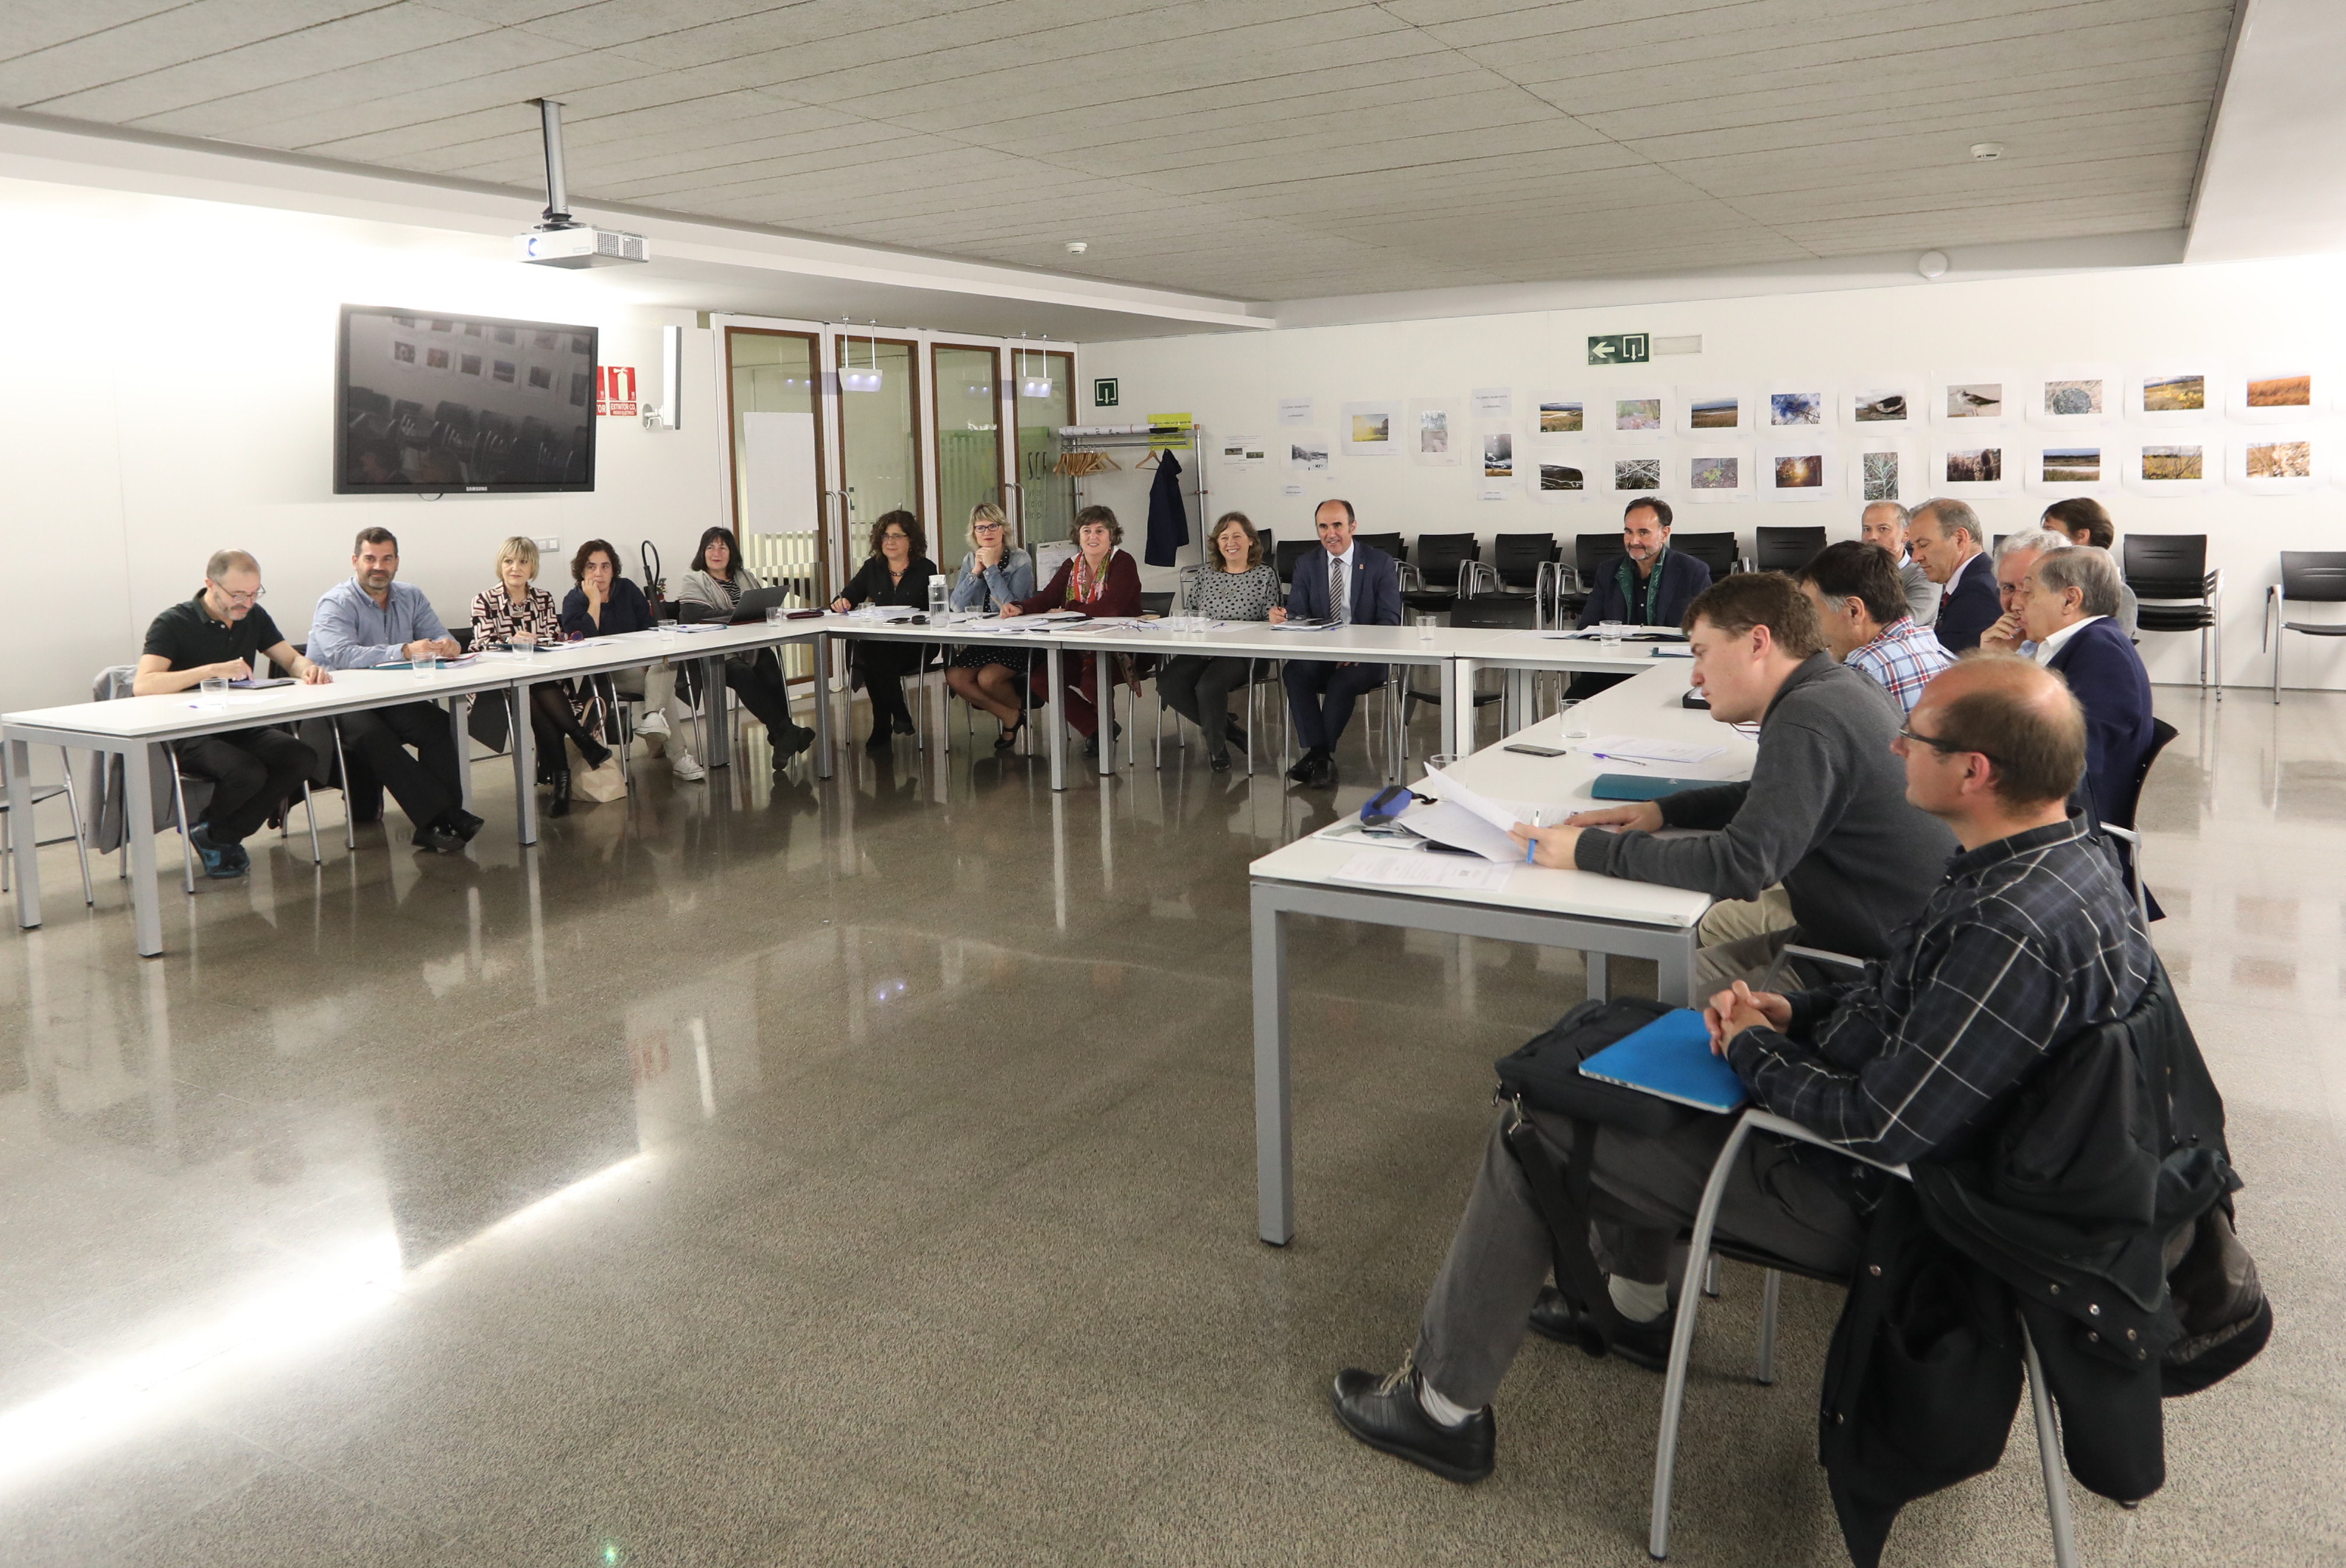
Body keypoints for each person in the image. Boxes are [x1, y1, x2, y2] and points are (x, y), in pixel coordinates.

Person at [1330, 656, 2154, 1485]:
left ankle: (1441, 1409)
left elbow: (1873, 1125)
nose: (1895, 747)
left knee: (1533, 1126)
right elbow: (1905, 995)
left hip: (1903, 1206)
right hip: (1956, 1163)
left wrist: (1753, 1048)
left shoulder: (2007, 926)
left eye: (1915, 737)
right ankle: (1633, 1306)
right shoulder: (2051, 864)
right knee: (1622, 1071)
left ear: (1974, 772)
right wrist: (1796, 1012)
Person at [1511, 572, 1955, 990]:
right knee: (1656, 981)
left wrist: (1588, 851)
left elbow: (1740, 866)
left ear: (1757, 642)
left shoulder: (1806, 717)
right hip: (1864, 939)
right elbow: (1777, 796)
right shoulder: (1840, 684)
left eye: (1702, 652)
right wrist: (1666, 810)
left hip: (1881, 974)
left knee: (1656, 997)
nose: (1695, 675)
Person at [133, 550, 329, 878]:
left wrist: (308, 668)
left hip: (240, 724)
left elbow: (291, 659)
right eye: (237, 595)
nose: (246, 603)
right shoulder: (173, 623)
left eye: (254, 594)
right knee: (247, 771)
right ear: (211, 585)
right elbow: (144, 684)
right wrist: (210, 671)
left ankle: (216, 834)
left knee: (301, 756)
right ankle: (220, 836)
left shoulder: (253, 615)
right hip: (189, 732)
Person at [307, 527, 480, 854]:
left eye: (387, 559)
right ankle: (443, 819)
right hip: (339, 700)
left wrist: (449, 645)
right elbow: (342, 655)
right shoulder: (335, 602)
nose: (378, 567)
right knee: (375, 736)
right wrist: (403, 651)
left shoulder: (411, 596)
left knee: (439, 724)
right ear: (355, 561)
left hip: (389, 696)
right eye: (370, 559)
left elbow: (439, 634)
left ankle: (444, 821)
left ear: (397, 562)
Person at [470, 537, 614, 818]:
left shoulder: (543, 598)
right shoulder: (484, 600)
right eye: (509, 561)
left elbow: (553, 637)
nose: (515, 568)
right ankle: (582, 742)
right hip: (503, 686)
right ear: (500, 565)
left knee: (536, 690)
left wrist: (541, 640)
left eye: (523, 562)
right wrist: (511, 641)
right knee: (532, 690)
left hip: (544, 680)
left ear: (532, 567)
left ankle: (562, 780)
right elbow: (480, 645)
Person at [2017, 546, 2155, 830]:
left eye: (2028, 592)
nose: (2017, 604)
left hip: (2076, 828)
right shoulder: (2087, 642)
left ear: (2070, 600)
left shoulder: (2101, 651)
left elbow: (2078, 761)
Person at [1268, 499, 1402, 788]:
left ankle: (1317, 756)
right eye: (1323, 527)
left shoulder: (1379, 562)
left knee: (1343, 680)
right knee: (1294, 672)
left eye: (1338, 525)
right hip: (1323, 652)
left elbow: (1390, 620)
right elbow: (1299, 613)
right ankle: (1321, 757)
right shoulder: (1307, 563)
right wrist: (1284, 616)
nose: (1331, 534)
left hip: (1368, 654)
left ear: (1353, 526)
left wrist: (1359, 649)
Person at [672, 525, 818, 774]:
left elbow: (762, 606)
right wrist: (739, 613)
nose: (716, 553)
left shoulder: (744, 576)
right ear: (702, 552)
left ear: (732, 552)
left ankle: (782, 737)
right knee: (742, 673)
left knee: (769, 665)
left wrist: (750, 613)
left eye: (722, 547)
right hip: (715, 652)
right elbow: (696, 615)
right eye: (710, 547)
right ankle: (786, 731)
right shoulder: (694, 579)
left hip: (749, 646)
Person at [1002, 505, 1140, 755]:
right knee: (1041, 680)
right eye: (1086, 531)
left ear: (1112, 535)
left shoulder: (1123, 562)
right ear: (1078, 535)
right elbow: (1047, 598)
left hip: (1121, 648)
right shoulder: (1071, 564)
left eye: (1100, 531)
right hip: (1079, 646)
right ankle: (1098, 729)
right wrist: (1020, 607)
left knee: (1092, 682)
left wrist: (1070, 608)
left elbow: (1110, 608)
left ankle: (1102, 731)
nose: (1092, 537)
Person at [1160, 511, 1279, 771]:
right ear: (1217, 543)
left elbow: (1271, 619)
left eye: (1237, 536)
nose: (1230, 543)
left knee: (1208, 686)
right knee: (1168, 683)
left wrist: (1274, 617)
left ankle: (1217, 749)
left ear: (1250, 540)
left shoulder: (1265, 574)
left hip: (1245, 653)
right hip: (1203, 648)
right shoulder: (1205, 573)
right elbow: (1191, 612)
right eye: (1224, 537)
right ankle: (1233, 732)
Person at [1793, 540, 1953, 715]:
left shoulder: (1861, 672)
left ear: (1854, 611)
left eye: (1814, 614)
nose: (1811, 626)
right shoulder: (1934, 648)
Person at [831, 510, 940, 751]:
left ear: (911, 540)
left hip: (915, 645)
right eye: (885, 536)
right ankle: (898, 714)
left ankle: (884, 724)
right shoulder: (873, 567)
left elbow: (938, 609)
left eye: (896, 536)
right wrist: (842, 602)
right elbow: (849, 594)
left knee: (871, 655)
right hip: (880, 645)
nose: (889, 542)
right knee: (872, 650)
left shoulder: (926, 569)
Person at [942, 504, 1037, 751]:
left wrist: (992, 570)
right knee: (955, 676)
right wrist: (976, 571)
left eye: (993, 526)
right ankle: (1011, 716)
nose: (987, 532)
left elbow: (1011, 606)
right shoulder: (970, 559)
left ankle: (1018, 712)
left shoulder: (1020, 559)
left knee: (988, 679)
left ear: (1003, 529)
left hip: (1014, 638)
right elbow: (956, 606)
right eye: (980, 528)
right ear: (973, 533)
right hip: (983, 637)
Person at [1905, 498, 1999, 651]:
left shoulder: (1976, 592)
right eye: (1914, 547)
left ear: (1960, 539)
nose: (1916, 558)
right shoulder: (1975, 581)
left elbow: (1959, 660)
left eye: (1923, 545)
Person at [2039, 497, 2140, 634]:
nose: (2043, 540)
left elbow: (2112, 643)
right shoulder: (2046, 580)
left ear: (2082, 536)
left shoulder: (2119, 594)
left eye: (2050, 532)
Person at [1978, 526, 2072, 657]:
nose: (2015, 604)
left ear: (2069, 596)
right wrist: (1994, 657)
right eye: (2009, 588)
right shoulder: (2013, 644)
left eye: (2028, 590)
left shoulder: (2086, 649)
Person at [1858, 500, 1940, 627]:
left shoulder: (1925, 575)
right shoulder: (1854, 571)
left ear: (1906, 534)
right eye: (1867, 529)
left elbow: (1903, 623)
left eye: (1883, 529)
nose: (1872, 536)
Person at [560, 539, 656, 637]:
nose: (599, 573)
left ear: (612, 571)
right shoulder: (573, 600)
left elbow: (648, 627)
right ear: (582, 572)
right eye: (591, 567)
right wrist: (594, 602)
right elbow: (580, 639)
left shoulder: (627, 588)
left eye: (605, 567)